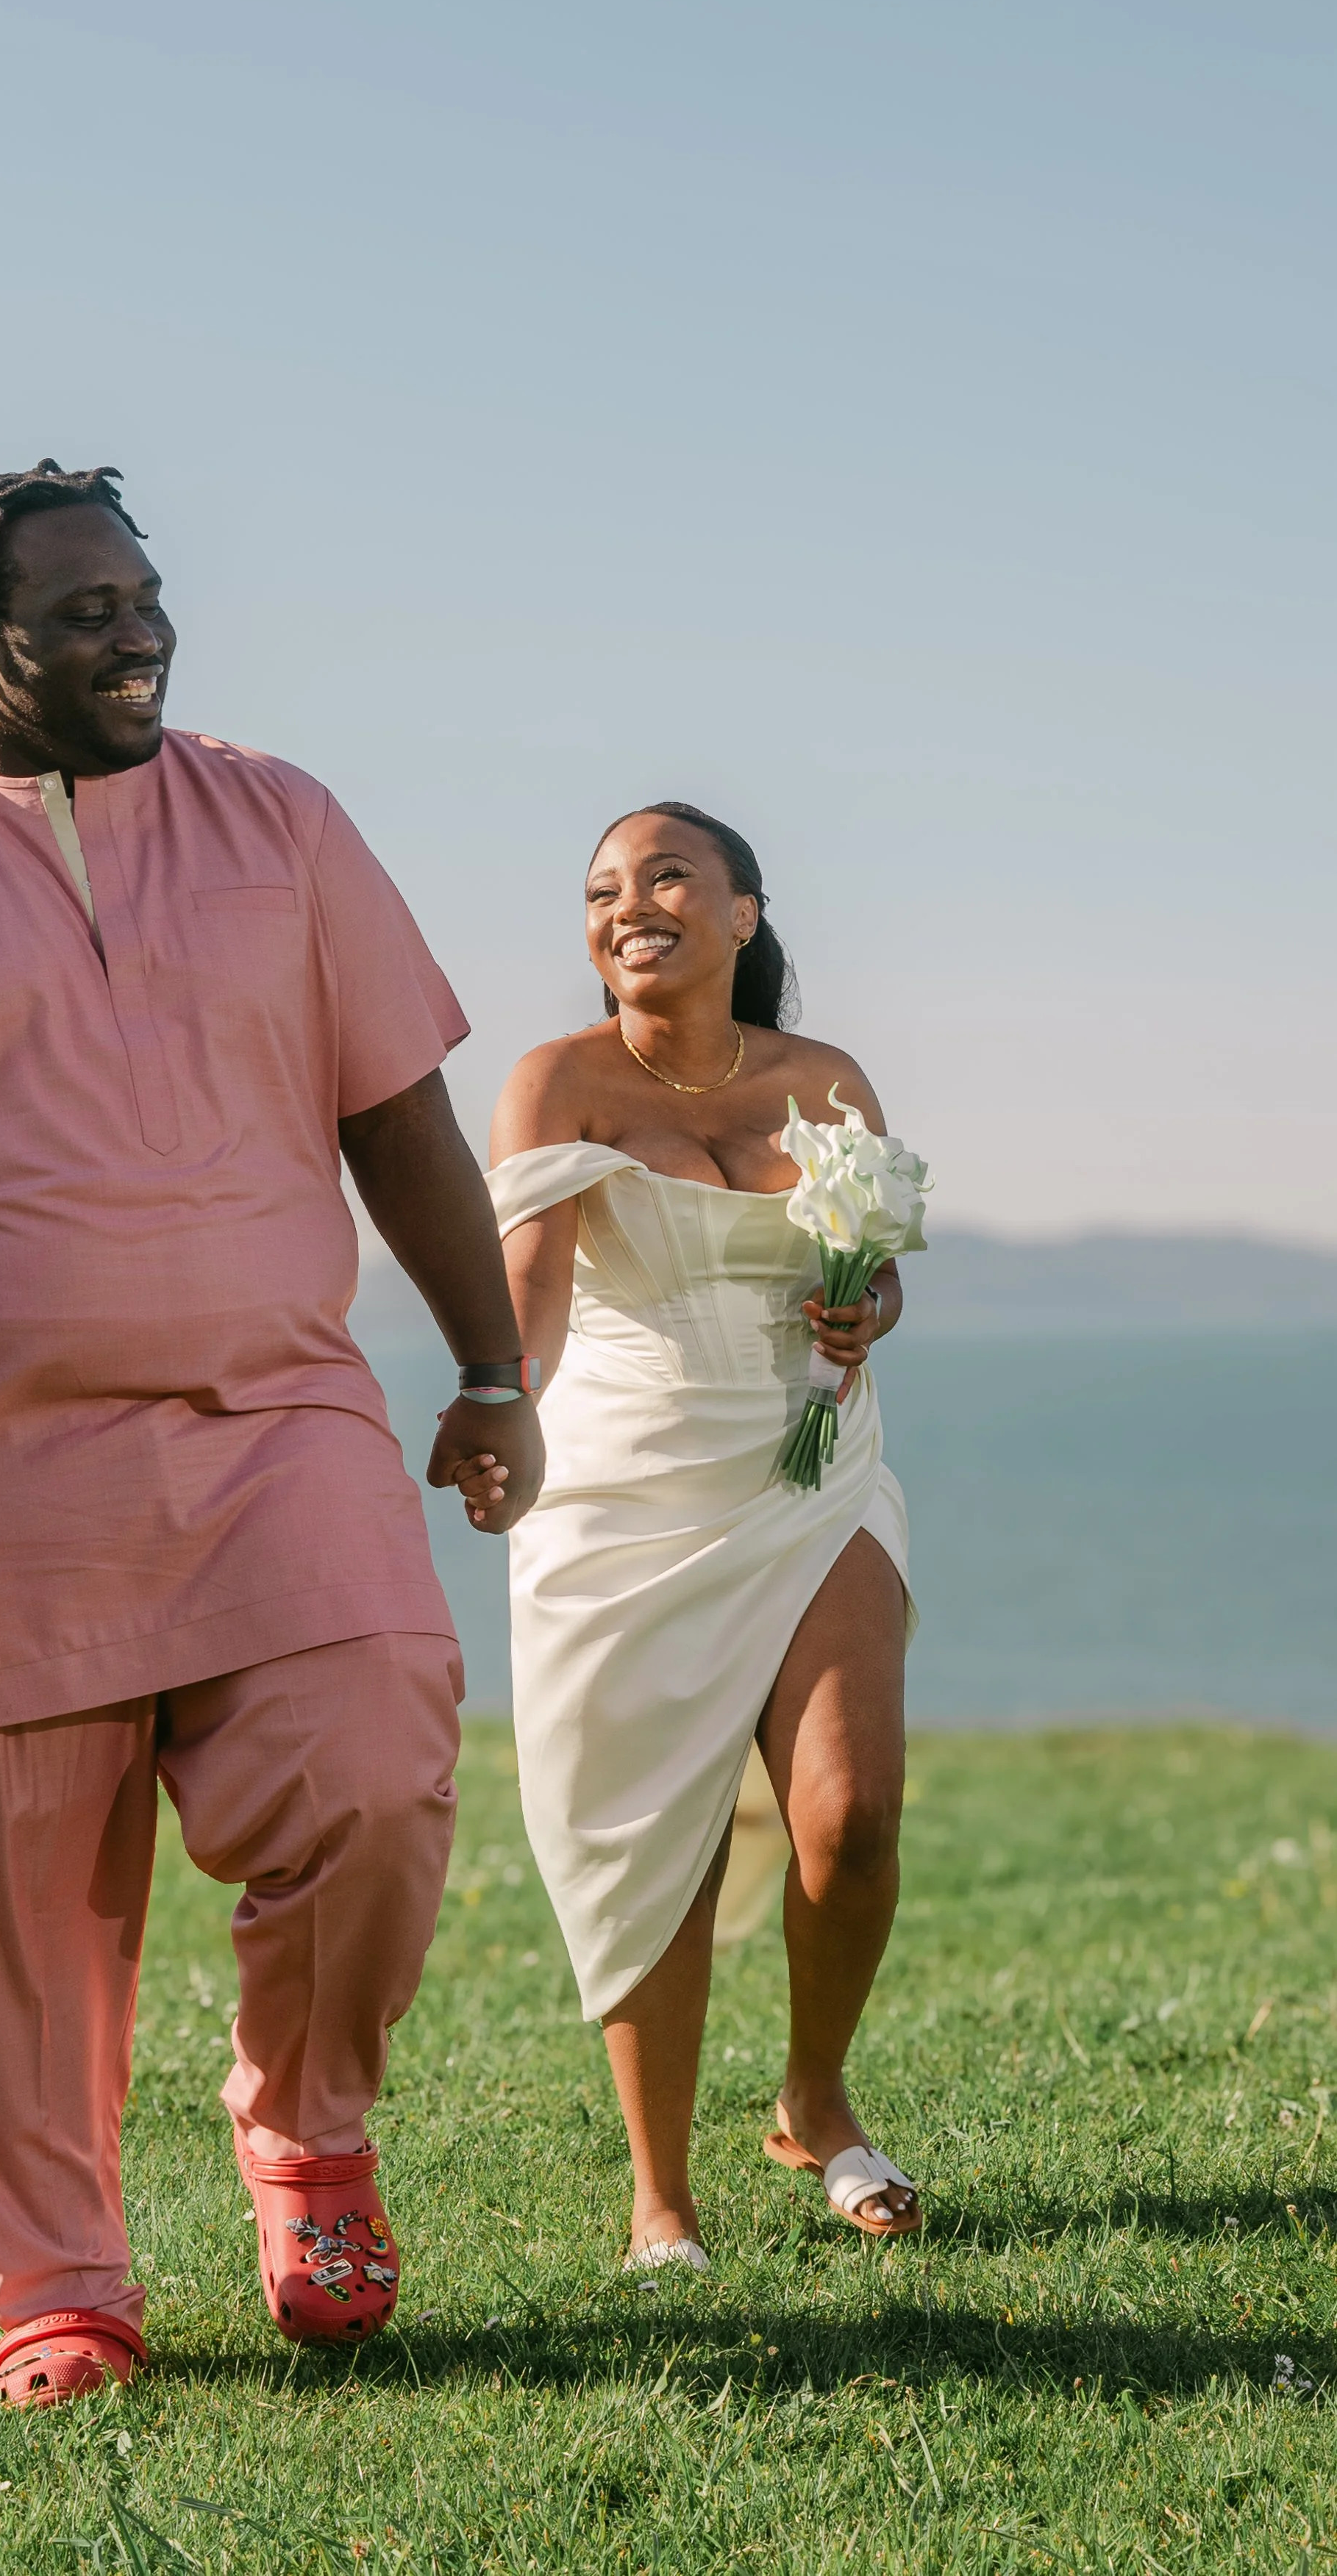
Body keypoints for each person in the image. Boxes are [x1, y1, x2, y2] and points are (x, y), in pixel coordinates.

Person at [0, 460, 543, 2405]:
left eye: (144, 599)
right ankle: (58, 2287)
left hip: (276, 1417)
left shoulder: (282, 818)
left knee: (374, 1765)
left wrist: (490, 1370)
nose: (138, 635)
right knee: (5, 1912)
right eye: (84, 613)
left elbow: (395, 1113)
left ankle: (310, 2148)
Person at [487, 801, 920, 2265]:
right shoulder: (557, 1081)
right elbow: (533, 1289)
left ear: (742, 912)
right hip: (621, 1494)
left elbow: (874, 1268)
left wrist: (867, 1309)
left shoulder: (825, 1080)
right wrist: (499, 1404)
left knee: (850, 1817)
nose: (630, 904)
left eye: (667, 875)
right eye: (602, 889)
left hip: (813, 1466)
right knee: (654, 1837)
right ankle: (659, 2198)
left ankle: (813, 2097)